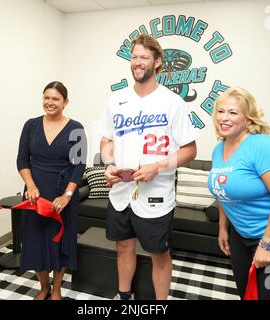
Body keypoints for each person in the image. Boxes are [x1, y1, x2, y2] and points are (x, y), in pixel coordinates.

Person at [100, 34, 197, 300]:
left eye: (144, 57)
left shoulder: (173, 102)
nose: (137, 62)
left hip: (156, 195)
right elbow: (107, 139)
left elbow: (190, 150)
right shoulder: (115, 100)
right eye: (134, 57)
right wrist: (108, 163)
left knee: (159, 255)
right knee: (123, 246)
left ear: (157, 62)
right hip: (121, 193)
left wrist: (158, 166)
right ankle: (124, 296)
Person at [208, 86, 270, 300]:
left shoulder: (264, 146)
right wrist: (223, 228)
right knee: (248, 294)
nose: (224, 118)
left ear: (248, 118)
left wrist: (266, 244)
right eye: (220, 111)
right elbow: (223, 192)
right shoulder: (219, 148)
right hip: (241, 237)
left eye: (233, 113)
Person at [17, 81, 87, 300]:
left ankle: (56, 288)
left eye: (55, 98)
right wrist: (30, 185)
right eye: (46, 97)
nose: (50, 102)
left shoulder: (77, 128)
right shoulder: (30, 125)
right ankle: (44, 286)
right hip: (34, 193)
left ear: (65, 102)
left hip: (63, 191)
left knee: (60, 242)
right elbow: (22, 160)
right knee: (34, 241)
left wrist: (67, 195)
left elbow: (79, 165)